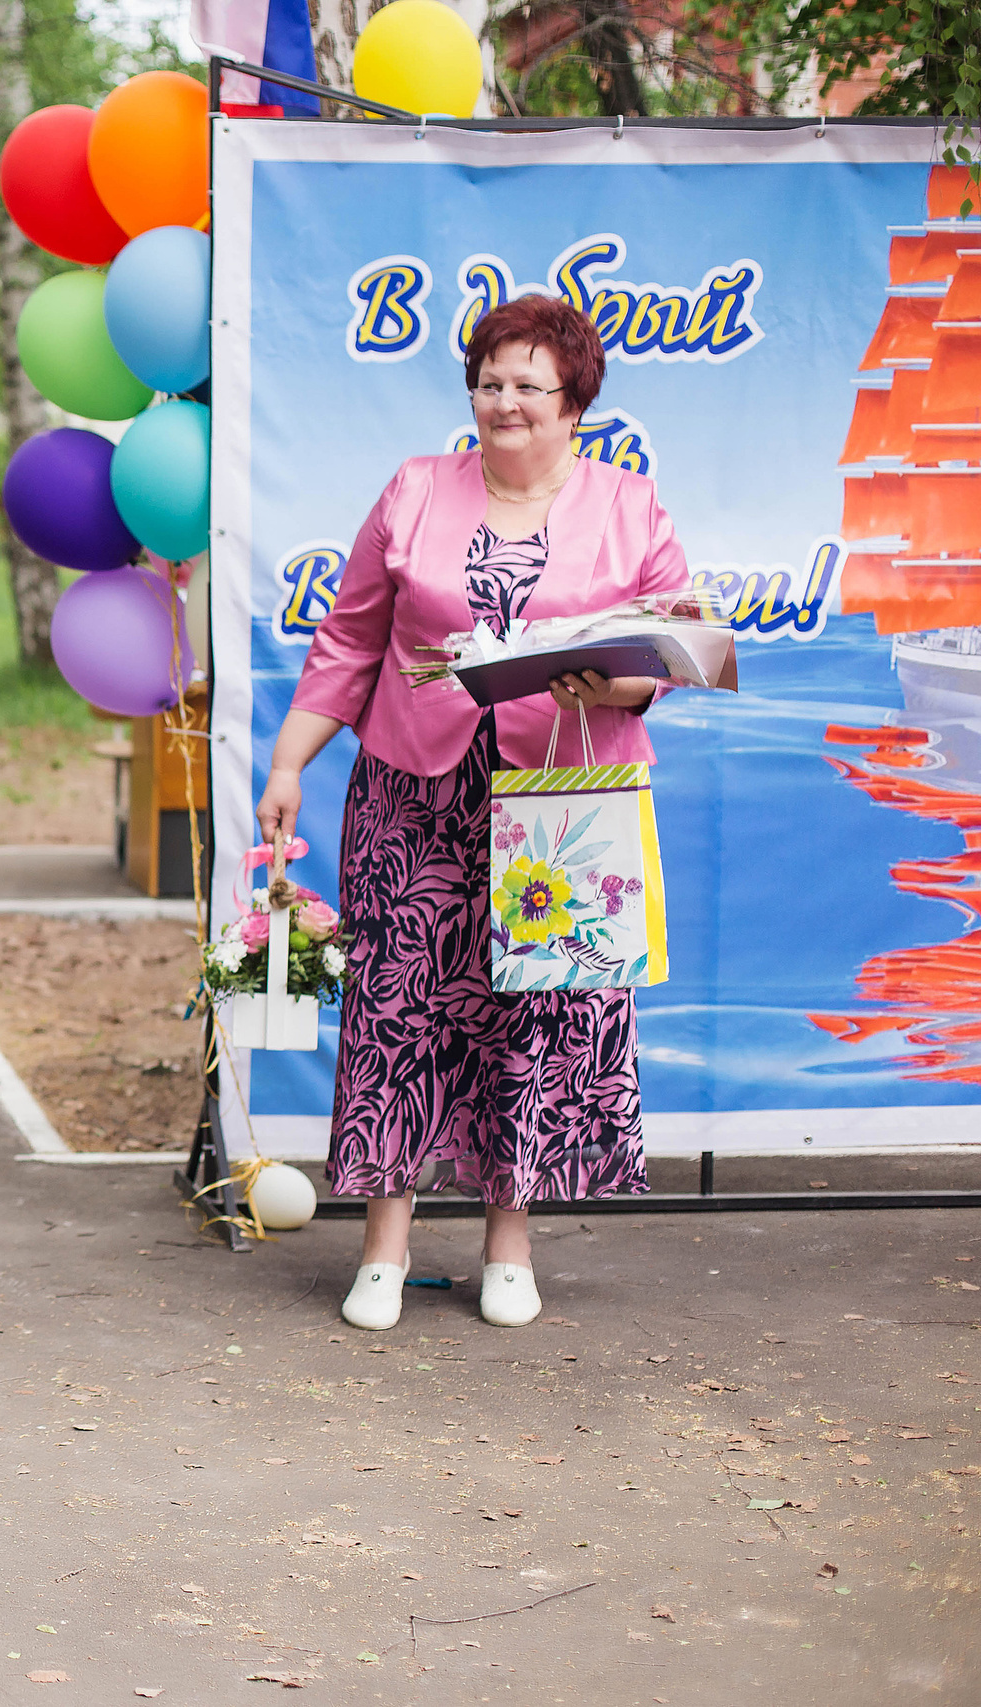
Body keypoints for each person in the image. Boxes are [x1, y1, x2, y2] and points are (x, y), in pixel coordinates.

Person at [253, 294, 689, 1334]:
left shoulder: (631, 507)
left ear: (573, 400)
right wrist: (287, 760)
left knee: (531, 1015)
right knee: (399, 1013)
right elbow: (349, 640)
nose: (504, 402)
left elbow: (678, 643)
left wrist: (618, 686)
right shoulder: (413, 491)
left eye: (528, 386)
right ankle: (383, 1250)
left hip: (559, 802)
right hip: (414, 792)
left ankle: (508, 1244)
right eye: (490, 382)